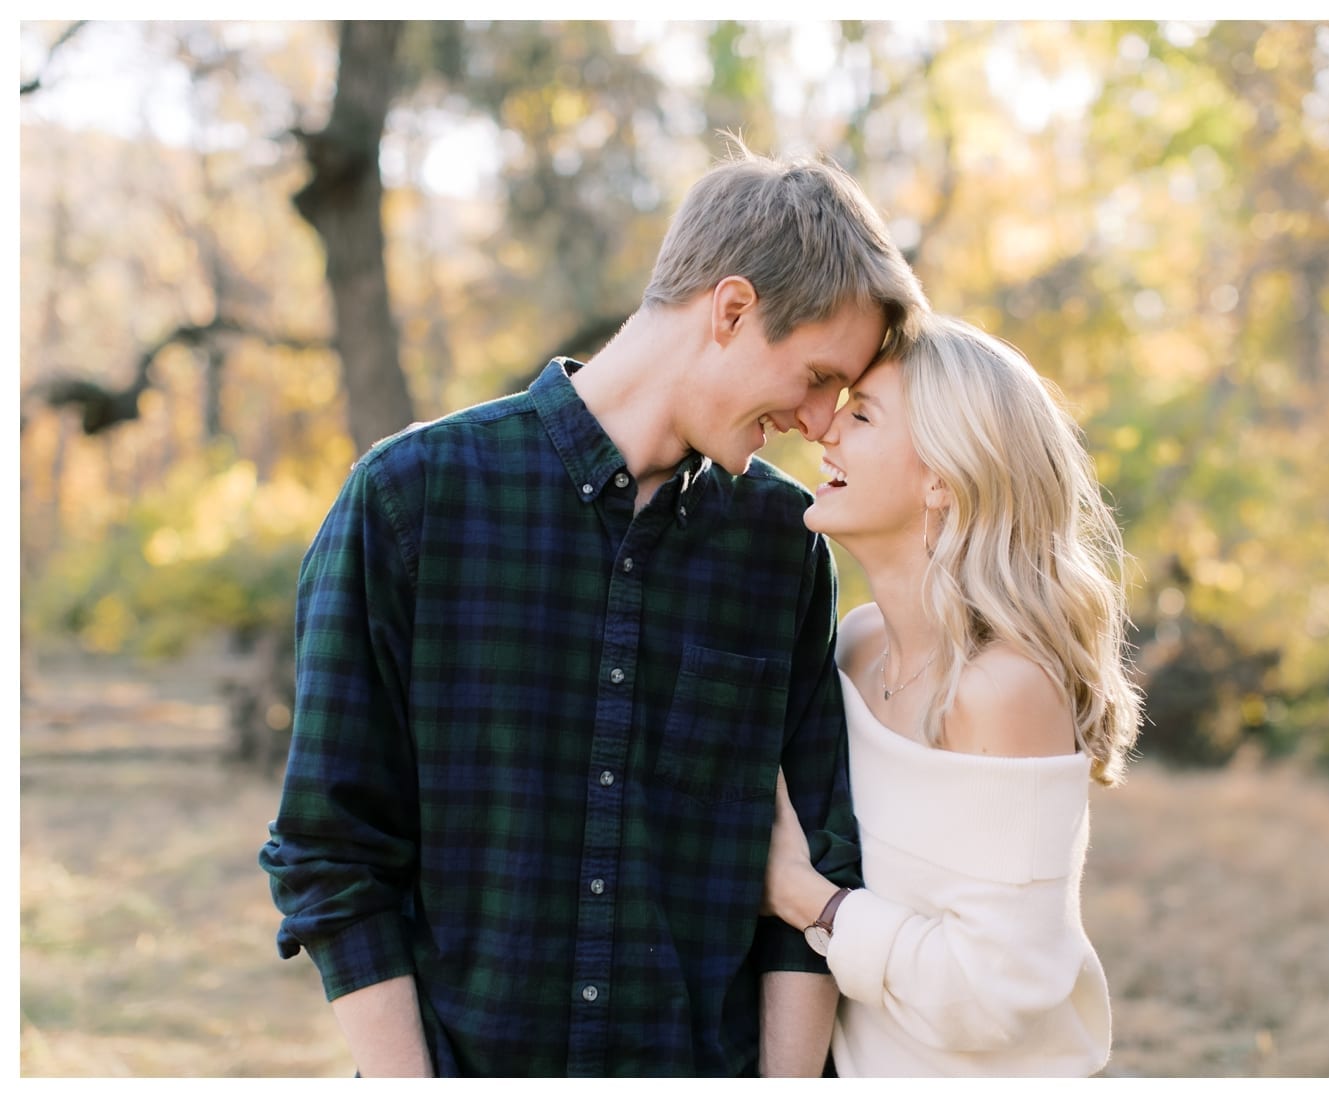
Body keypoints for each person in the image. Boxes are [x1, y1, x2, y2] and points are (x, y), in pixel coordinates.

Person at [258, 141, 929, 1078]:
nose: (821, 423)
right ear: (731, 311)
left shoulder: (784, 544)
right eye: (818, 376)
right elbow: (330, 853)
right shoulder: (412, 500)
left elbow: (816, 867)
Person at [761, 314, 1143, 1076]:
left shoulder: (1005, 688)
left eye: (861, 415)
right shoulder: (856, 643)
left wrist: (810, 901)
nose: (823, 434)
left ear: (942, 475)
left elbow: (1001, 992)